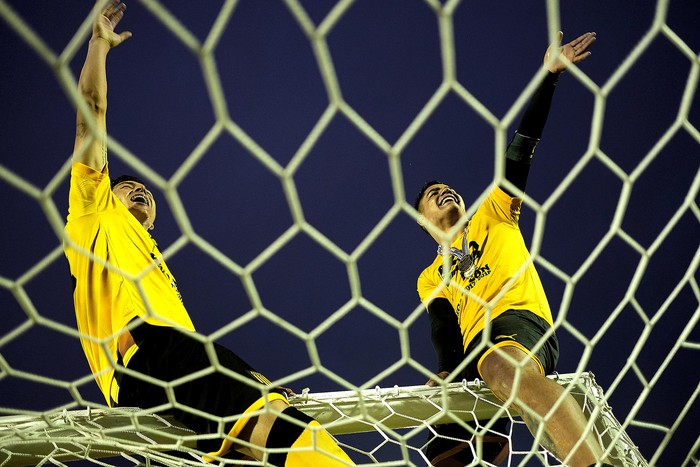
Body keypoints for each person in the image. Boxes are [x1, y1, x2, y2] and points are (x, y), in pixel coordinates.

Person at [63, 2, 354, 465]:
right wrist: (98, 45)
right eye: (126, 186)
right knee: (276, 418)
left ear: (154, 219)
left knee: (247, 439)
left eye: (145, 191)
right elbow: (90, 114)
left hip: (156, 374)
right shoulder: (92, 210)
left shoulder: (155, 264)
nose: (137, 188)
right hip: (146, 352)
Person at [415, 31, 612, 467]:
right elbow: (443, 326)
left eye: (449, 188)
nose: (445, 192)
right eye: (434, 194)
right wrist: (447, 370)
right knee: (447, 448)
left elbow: (519, 152)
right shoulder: (430, 277)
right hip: (473, 354)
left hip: (518, 323)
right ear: (420, 219)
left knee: (502, 370)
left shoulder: (495, 212)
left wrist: (550, 77)